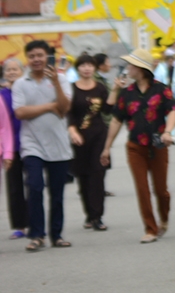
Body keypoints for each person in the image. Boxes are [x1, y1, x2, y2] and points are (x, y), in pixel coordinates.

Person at [101, 49, 175, 243]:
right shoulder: (126, 93)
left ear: (141, 69)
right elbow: (117, 121)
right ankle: (151, 229)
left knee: (161, 191)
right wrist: (107, 147)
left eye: (131, 64)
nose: (128, 68)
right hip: (136, 147)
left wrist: (167, 132)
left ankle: (164, 219)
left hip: (158, 145)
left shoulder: (162, 89)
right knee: (142, 189)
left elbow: (173, 111)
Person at [12, 39, 73, 252]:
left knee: (57, 193)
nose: (36, 59)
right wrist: (50, 106)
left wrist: (55, 82)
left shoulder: (62, 79)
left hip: (58, 145)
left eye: (40, 55)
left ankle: (57, 235)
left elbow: (64, 109)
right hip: (32, 145)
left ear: (48, 57)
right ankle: (37, 235)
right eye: (32, 56)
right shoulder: (20, 83)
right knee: (35, 187)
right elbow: (20, 112)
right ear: (27, 59)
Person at [67, 54, 115, 231]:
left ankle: (97, 217)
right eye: (83, 65)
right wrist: (72, 129)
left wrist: (116, 90)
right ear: (77, 68)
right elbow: (68, 112)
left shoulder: (101, 88)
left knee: (97, 173)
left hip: (98, 136)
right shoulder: (71, 89)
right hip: (78, 138)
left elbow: (108, 110)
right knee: (83, 176)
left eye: (90, 65)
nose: (87, 68)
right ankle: (89, 214)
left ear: (94, 68)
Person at [2, 57, 29, 239]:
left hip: (30, 143)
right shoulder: (2, 95)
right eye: (8, 70)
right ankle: (20, 225)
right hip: (10, 148)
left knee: (34, 184)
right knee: (14, 187)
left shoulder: (28, 91)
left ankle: (36, 222)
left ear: (22, 71)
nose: (12, 72)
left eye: (15, 69)